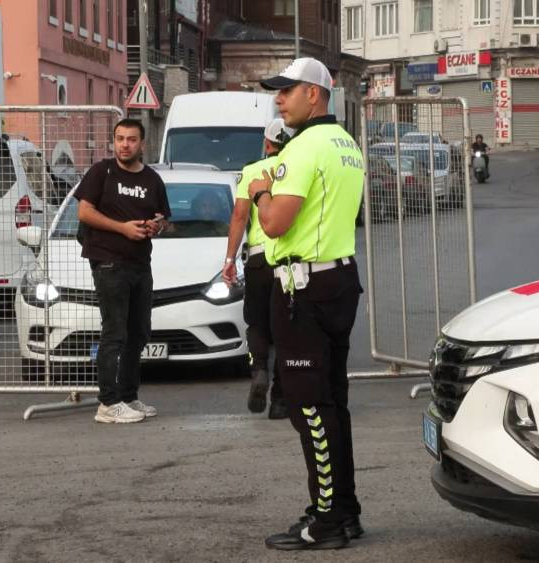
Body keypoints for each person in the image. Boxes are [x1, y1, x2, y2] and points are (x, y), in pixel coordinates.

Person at [248, 57, 365, 550]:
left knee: (309, 408)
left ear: (312, 94)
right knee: (332, 403)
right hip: (338, 279)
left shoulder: (304, 148)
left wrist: (259, 193)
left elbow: (274, 224)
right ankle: (343, 510)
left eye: (286, 90)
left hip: (304, 287)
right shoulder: (347, 144)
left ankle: (327, 520)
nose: (279, 99)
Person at [76, 118, 171, 424]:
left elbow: (165, 218)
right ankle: (107, 403)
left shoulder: (152, 180)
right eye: (120, 139)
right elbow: (85, 212)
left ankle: (129, 396)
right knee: (114, 332)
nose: (125, 144)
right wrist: (123, 229)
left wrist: (156, 225)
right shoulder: (101, 172)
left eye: (131, 139)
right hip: (108, 263)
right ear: (113, 141)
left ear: (142, 144)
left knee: (139, 332)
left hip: (140, 264)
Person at [223, 118, 295, 420]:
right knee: (286, 330)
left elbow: (240, 217)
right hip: (290, 260)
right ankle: (280, 398)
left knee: (257, 323)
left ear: (267, 144)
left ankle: (259, 370)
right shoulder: (297, 167)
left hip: (258, 260)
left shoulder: (252, 171)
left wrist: (229, 260)